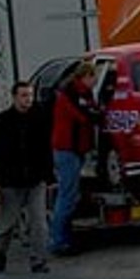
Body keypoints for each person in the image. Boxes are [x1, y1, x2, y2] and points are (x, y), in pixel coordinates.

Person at [0, 80, 52, 274]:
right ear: (14, 97)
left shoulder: (40, 119)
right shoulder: (1, 121)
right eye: (24, 95)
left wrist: (50, 176)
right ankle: (0, 252)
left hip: (35, 180)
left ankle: (38, 260)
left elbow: (46, 150)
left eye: (30, 95)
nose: (28, 99)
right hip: (10, 181)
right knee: (7, 223)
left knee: (39, 222)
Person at [49, 64, 100, 256]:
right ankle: (58, 240)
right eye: (93, 77)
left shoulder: (78, 93)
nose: (95, 81)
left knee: (69, 195)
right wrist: (98, 115)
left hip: (73, 148)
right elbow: (82, 117)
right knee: (67, 195)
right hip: (67, 149)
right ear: (85, 76)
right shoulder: (70, 94)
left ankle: (64, 238)